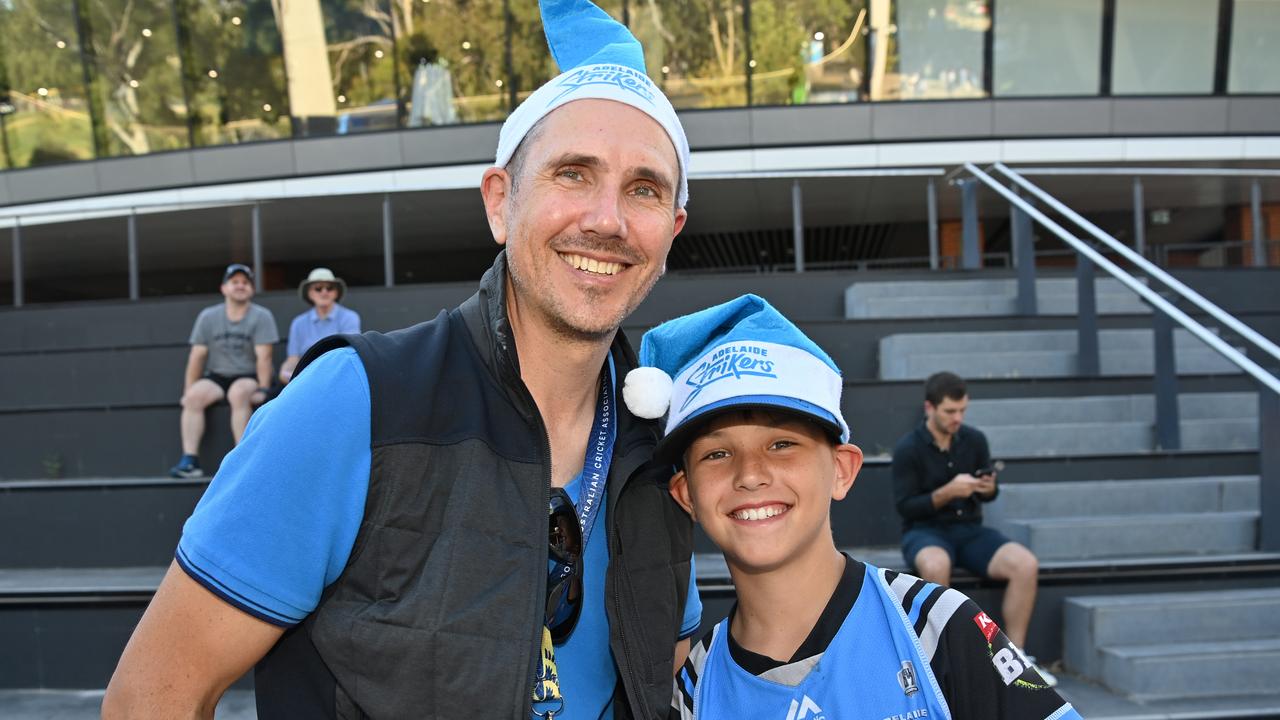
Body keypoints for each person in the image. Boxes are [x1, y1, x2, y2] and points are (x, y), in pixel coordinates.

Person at [104, 2, 701, 718]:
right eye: (573, 174)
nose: (606, 219)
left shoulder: (662, 446)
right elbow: (152, 699)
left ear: (671, 231)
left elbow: (661, 667)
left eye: (643, 188)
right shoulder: (355, 404)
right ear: (500, 201)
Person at [616, 295, 1078, 719]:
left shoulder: (934, 626)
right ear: (686, 495)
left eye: (781, 444)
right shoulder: (695, 690)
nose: (750, 474)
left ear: (842, 470)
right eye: (717, 454)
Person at [893, 370, 1053, 683]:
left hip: (969, 530)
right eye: (950, 411)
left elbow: (990, 495)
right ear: (930, 408)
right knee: (936, 564)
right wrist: (946, 493)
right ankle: (946, 659)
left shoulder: (974, 439)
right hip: (925, 531)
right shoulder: (908, 448)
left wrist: (986, 486)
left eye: (962, 410)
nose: (957, 418)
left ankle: (1016, 656)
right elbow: (905, 506)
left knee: (1025, 563)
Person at [168, 263, 278, 479]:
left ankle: (243, 460)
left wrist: (264, 389)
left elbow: (264, 357)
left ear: (252, 289)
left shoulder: (261, 316)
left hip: (248, 375)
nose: (240, 286)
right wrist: (188, 390)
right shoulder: (208, 317)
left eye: (245, 283)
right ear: (224, 288)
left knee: (238, 394)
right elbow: (197, 356)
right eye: (235, 282)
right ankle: (190, 461)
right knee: (193, 398)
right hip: (217, 375)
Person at [278, 267, 361, 385]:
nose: (324, 292)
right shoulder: (298, 323)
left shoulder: (350, 317)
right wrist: (285, 370)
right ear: (310, 294)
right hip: (306, 380)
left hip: (339, 377)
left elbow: (349, 356)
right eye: (318, 288)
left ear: (336, 293)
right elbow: (293, 359)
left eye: (329, 288)